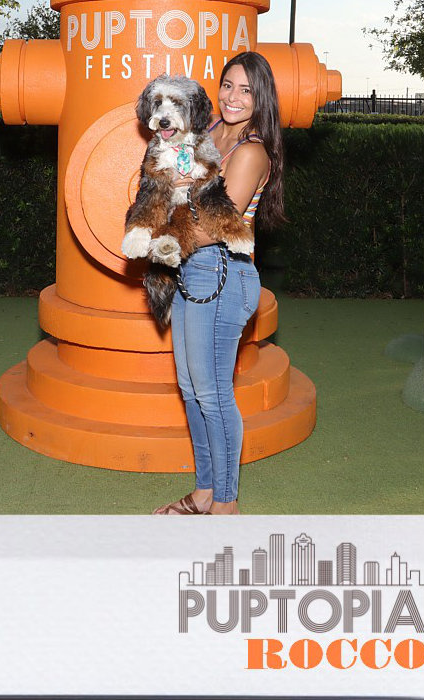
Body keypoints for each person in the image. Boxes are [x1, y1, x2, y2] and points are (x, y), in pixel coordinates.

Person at [154, 51, 285, 515]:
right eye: (228, 85)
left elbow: (215, 225)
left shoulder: (250, 151)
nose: (233, 97)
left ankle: (226, 507)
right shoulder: (207, 132)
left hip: (223, 272)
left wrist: (164, 241)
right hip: (191, 268)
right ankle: (205, 491)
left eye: (246, 90)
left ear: (261, 98)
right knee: (192, 390)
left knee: (213, 395)